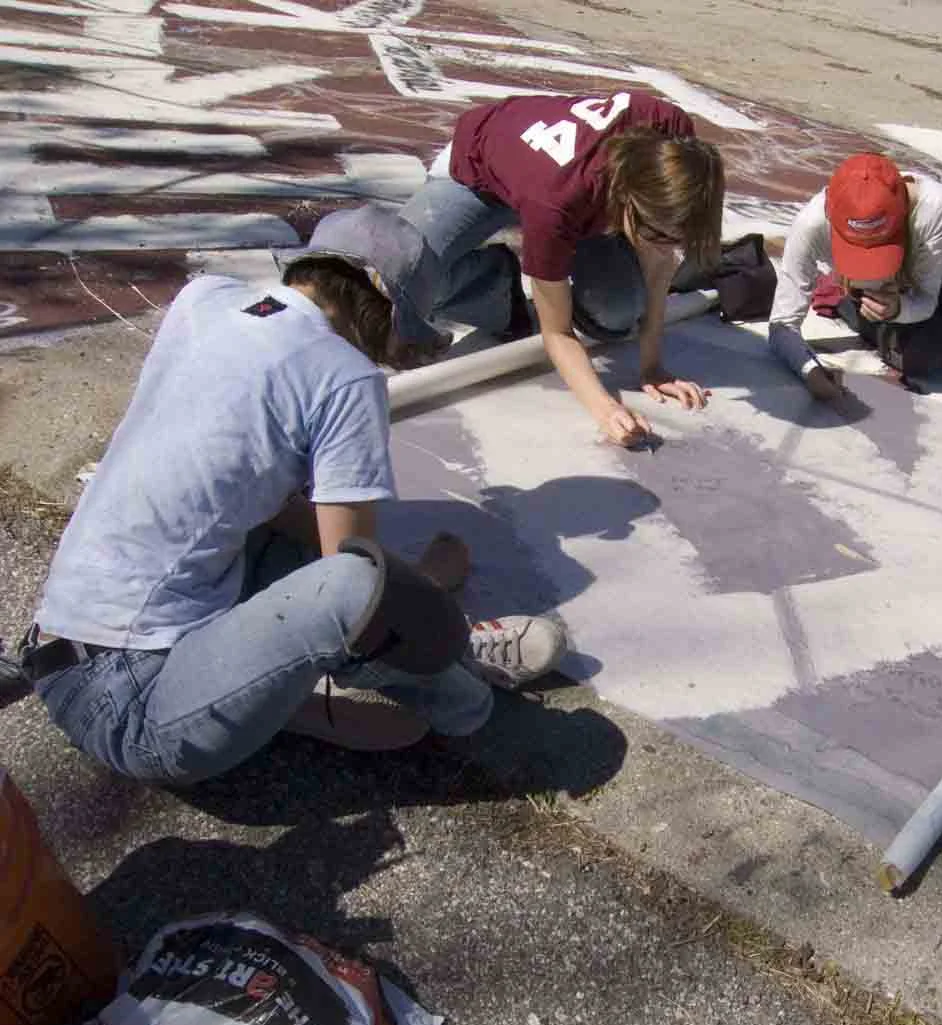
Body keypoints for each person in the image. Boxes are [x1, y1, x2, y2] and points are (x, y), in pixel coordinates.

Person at [17, 205, 567, 786]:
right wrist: (428, 586)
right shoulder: (346, 375)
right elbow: (353, 579)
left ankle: (278, 693)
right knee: (360, 590)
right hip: (134, 707)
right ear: (384, 311)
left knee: (272, 525)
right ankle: (469, 695)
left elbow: (266, 497)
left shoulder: (203, 301)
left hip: (61, 642)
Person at [399, 90, 725, 446]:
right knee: (405, 276)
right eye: (656, 233)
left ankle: (554, 270)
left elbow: (660, 267)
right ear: (628, 199)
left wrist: (653, 368)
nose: (667, 246)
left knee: (615, 312)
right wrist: (606, 410)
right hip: (479, 169)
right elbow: (557, 335)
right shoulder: (555, 205)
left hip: (570, 189)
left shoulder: (675, 141)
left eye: (678, 237)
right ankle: (496, 290)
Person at [768, 152, 942, 400]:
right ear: (831, 216)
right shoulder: (811, 223)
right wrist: (808, 371)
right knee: (927, 353)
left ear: (904, 209)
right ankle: (856, 304)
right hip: (871, 294)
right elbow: (782, 323)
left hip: (936, 273)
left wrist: (898, 309)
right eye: (856, 251)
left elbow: (927, 298)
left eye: (880, 247)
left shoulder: (932, 204)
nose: (869, 259)